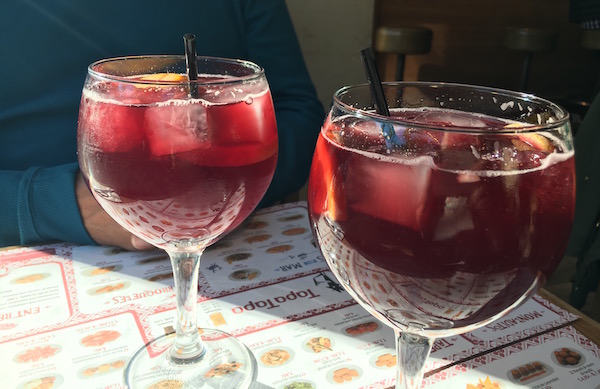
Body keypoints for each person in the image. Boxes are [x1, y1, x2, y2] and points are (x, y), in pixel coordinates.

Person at [0, 0, 325, 250]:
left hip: (227, 241)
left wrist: (225, 192)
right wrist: (62, 205)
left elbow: (300, 112)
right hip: (38, 256)